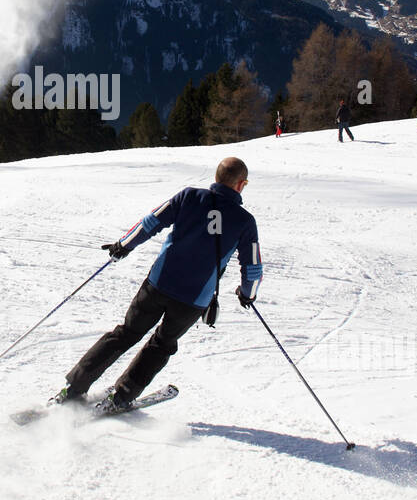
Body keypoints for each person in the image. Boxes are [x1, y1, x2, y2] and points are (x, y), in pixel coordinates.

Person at [56, 156, 263, 413]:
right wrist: (247, 294)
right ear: (241, 184)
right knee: (161, 344)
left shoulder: (188, 196)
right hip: (193, 299)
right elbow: (252, 267)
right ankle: (122, 396)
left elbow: (151, 221)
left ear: (217, 177)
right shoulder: (244, 220)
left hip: (158, 283)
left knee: (125, 333)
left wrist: (124, 245)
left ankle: (74, 388)